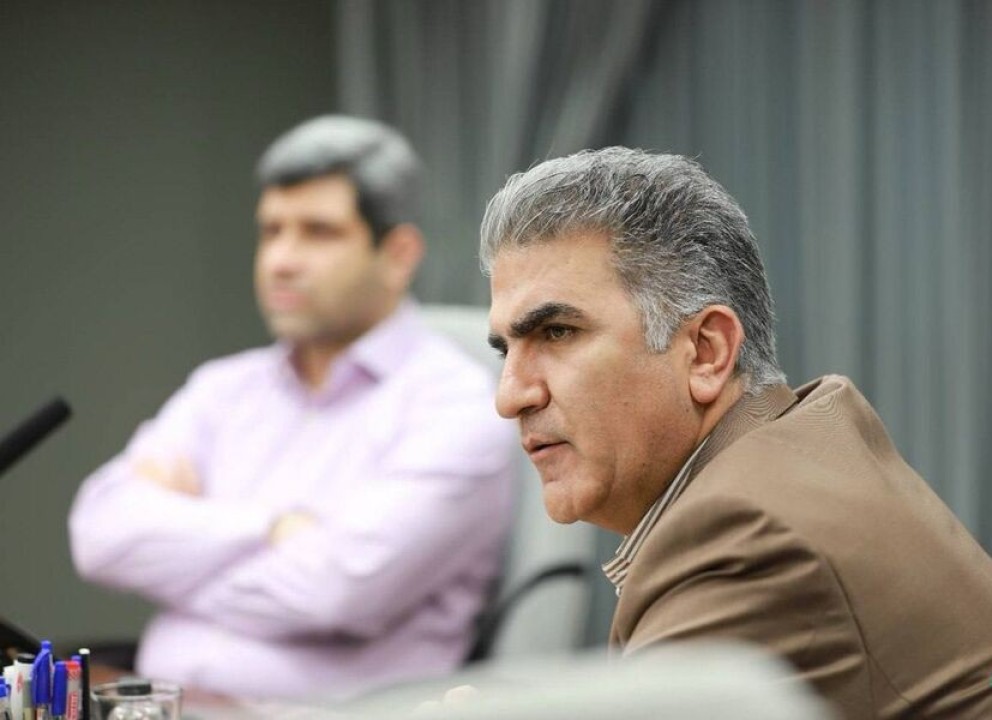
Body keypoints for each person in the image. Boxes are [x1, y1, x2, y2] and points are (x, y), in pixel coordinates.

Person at [481, 147, 992, 719]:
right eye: (505, 350)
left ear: (706, 352)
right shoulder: (798, 453)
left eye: (557, 332)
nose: (510, 396)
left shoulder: (745, 538)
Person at [69, 116, 516, 701]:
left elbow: (333, 592)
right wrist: (273, 529)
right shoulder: (223, 389)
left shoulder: (457, 405)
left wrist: (174, 564)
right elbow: (99, 534)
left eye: (318, 232)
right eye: (271, 230)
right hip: (159, 708)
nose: (281, 259)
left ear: (398, 255)